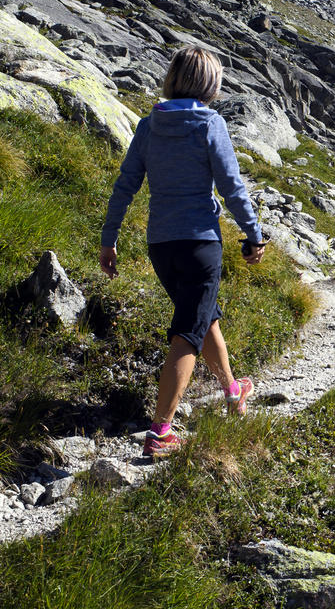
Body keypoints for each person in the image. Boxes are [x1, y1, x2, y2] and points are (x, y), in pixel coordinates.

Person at [99, 46, 267, 458]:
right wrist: (254, 234)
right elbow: (231, 187)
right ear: (210, 84)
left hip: (161, 246)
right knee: (188, 332)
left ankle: (232, 391)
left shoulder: (148, 125)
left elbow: (125, 185)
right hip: (200, 243)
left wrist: (109, 237)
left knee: (202, 316)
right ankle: (161, 432)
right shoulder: (210, 124)